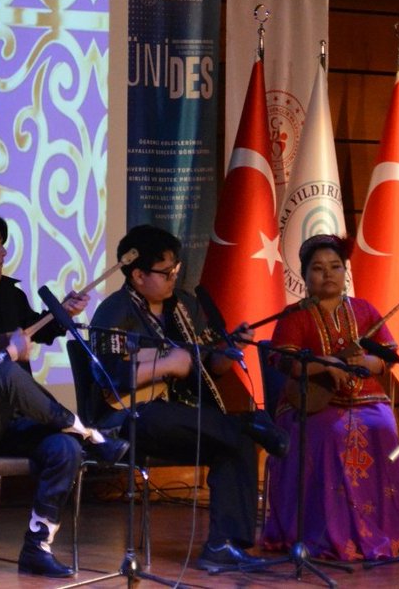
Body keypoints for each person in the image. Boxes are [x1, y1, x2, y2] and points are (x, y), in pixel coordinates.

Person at [0, 211, 129, 578]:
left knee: (65, 449)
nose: (3, 252)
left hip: (10, 427)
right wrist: (5, 353)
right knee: (6, 372)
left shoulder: (6, 294)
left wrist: (60, 313)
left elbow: (35, 331)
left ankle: (37, 546)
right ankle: (88, 431)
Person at [88, 224, 287, 574]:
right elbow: (111, 376)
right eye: (166, 273)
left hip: (184, 414)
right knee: (235, 431)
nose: (173, 279)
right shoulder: (114, 312)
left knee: (235, 440)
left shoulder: (186, 307)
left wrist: (228, 351)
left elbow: (212, 366)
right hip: (129, 419)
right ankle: (251, 423)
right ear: (137, 274)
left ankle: (224, 546)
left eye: (176, 271)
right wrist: (167, 363)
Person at [262, 234, 399, 561]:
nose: (328, 274)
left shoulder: (364, 310)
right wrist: (327, 364)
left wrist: (368, 362)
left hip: (366, 397)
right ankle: (330, 534)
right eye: (319, 268)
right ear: (305, 275)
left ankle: (386, 533)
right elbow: (284, 361)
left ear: (345, 271)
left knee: (384, 430)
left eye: (335, 267)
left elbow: (389, 358)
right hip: (312, 401)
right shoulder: (294, 315)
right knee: (334, 435)